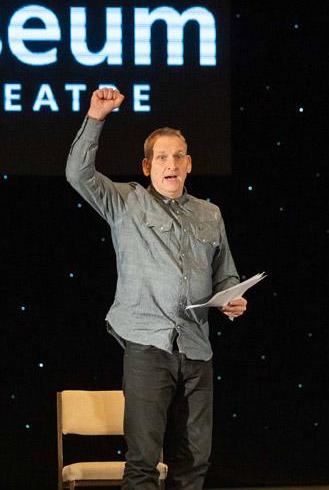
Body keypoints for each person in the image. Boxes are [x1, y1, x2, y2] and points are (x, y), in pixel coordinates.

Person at [65, 87, 247, 490]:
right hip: (147, 346)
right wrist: (96, 117)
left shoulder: (209, 213)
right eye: (161, 157)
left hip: (197, 348)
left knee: (195, 459)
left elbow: (225, 273)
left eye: (178, 155)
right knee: (144, 459)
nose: (171, 164)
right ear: (147, 167)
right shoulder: (126, 202)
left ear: (189, 164)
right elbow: (77, 174)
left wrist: (232, 297)